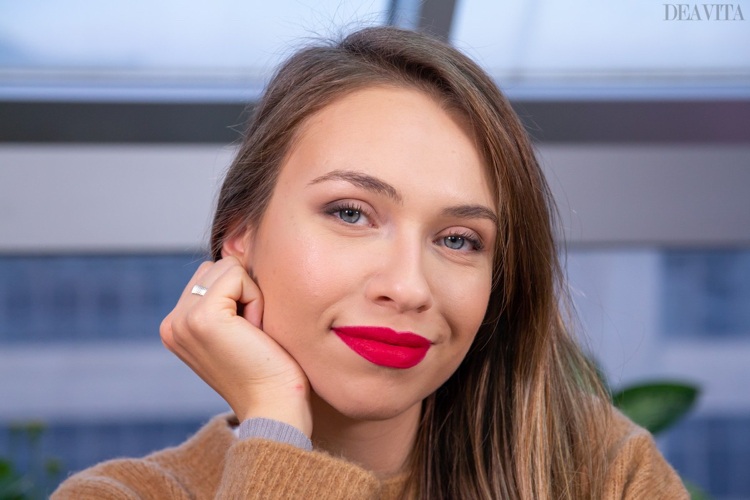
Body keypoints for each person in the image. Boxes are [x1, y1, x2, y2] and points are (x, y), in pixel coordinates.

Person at [52, 26, 687, 499]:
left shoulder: (604, 473)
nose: (408, 287)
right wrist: (275, 420)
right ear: (240, 233)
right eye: (351, 213)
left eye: (459, 239)